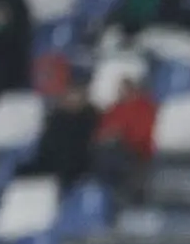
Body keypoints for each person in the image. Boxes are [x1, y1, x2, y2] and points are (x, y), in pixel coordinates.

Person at [92, 77, 158, 205]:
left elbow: (143, 134)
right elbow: (101, 132)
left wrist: (122, 136)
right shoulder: (115, 109)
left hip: (137, 154)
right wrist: (108, 135)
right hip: (112, 153)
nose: (124, 93)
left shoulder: (145, 108)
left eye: (128, 89)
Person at [22, 79, 100, 187]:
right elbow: (47, 144)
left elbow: (87, 144)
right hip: (51, 161)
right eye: (69, 95)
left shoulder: (90, 117)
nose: (72, 99)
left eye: (76, 95)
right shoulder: (56, 118)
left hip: (78, 164)